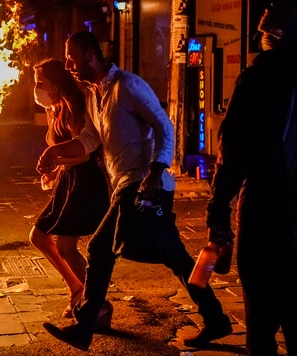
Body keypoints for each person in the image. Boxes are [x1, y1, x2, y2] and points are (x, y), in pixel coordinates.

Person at [41, 32, 232, 351]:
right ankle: (216, 318)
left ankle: (85, 325)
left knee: (100, 250)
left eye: (73, 58)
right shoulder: (93, 94)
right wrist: (54, 152)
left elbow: (164, 126)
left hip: (143, 184)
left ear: (90, 55)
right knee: (177, 259)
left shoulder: (127, 86)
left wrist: (157, 170)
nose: (70, 65)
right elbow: (90, 139)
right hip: (130, 186)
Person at [205, 0, 297, 355]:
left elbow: (233, 152)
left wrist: (218, 212)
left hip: (266, 211)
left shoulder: (257, 79)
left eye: (263, 34)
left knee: (260, 325)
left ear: (275, 36)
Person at [30, 59, 110, 318]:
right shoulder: (56, 108)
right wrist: (55, 168)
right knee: (38, 237)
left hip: (85, 182)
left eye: (41, 82)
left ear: (57, 83)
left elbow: (84, 153)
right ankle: (77, 289)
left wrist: (55, 155)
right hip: (68, 179)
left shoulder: (76, 104)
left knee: (67, 247)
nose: (37, 88)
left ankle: (97, 304)